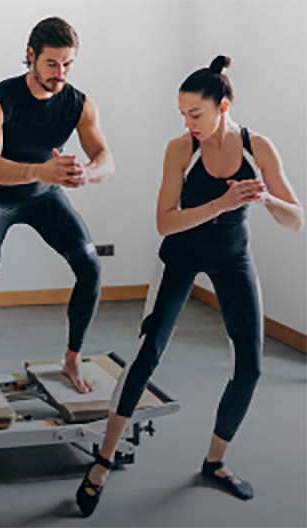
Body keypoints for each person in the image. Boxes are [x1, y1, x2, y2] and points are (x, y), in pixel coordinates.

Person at [76, 55, 304, 516]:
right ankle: (102, 460)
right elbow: (165, 223)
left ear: (222, 105)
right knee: (148, 353)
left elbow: (296, 219)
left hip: (233, 259)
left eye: (194, 113)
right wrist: (221, 202)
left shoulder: (258, 147)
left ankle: (215, 462)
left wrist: (264, 197)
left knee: (251, 367)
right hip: (180, 258)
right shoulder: (181, 149)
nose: (187, 122)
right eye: (182, 114)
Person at [0, 17, 114, 403]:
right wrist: (38, 170)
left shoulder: (79, 103)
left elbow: (106, 159)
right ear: (30, 56)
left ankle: (72, 359)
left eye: (68, 64)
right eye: (52, 64)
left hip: (44, 196)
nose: (60, 74)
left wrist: (86, 175)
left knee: (90, 266)